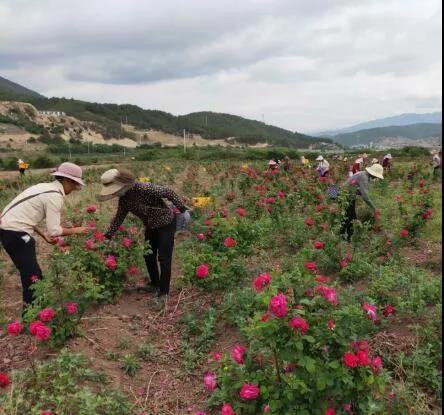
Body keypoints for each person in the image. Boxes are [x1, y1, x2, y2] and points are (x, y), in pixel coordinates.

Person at [0, 162, 87, 308]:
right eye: (75, 185)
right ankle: (30, 316)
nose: (75, 189)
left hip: (8, 230)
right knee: (31, 278)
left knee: (35, 274)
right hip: (16, 234)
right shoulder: (55, 196)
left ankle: (39, 307)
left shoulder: (43, 187)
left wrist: (43, 236)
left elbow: (24, 215)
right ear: (67, 181)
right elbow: (55, 231)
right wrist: (76, 230)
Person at [98, 169, 190, 300]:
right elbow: (119, 217)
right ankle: (155, 284)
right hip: (151, 226)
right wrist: (107, 235)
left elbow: (168, 192)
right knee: (148, 255)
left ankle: (164, 292)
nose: (115, 192)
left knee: (164, 258)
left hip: (166, 223)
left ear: (124, 183)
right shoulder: (124, 200)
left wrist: (182, 209)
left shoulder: (144, 188)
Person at [341, 163, 384, 241]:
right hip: (346, 196)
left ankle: (348, 237)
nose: (376, 177)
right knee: (349, 217)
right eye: (376, 176)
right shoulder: (363, 177)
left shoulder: (363, 174)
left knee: (351, 217)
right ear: (373, 174)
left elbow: (359, 190)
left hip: (348, 196)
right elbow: (365, 196)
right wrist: (374, 208)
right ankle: (343, 236)